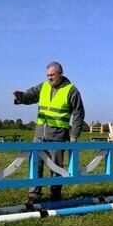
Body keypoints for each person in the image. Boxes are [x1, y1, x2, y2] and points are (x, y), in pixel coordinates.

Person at [12, 62, 85, 205]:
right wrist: (19, 97)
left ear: (60, 74)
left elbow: (78, 113)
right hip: (39, 135)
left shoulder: (72, 90)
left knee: (56, 168)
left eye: (52, 75)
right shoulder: (44, 86)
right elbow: (30, 95)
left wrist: (74, 135)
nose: (49, 78)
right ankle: (34, 195)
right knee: (35, 165)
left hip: (57, 136)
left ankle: (55, 195)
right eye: (47, 76)